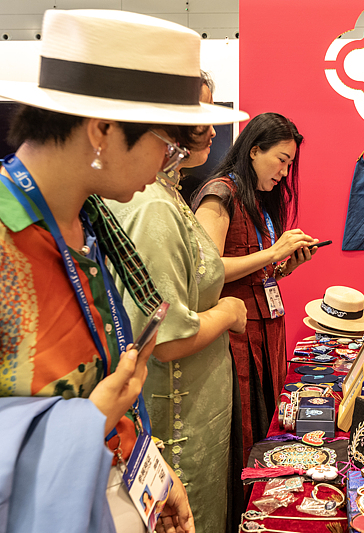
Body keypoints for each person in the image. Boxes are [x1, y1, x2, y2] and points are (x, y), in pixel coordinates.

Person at [0, 9, 246, 533]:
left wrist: (151, 469)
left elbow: (113, 383)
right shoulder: (8, 242)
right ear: (103, 131)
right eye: (167, 144)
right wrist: (88, 422)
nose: (169, 162)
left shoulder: (93, 226)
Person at [106, 73, 248, 533]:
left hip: (197, 404)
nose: (209, 130)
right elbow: (165, 335)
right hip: (177, 415)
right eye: (197, 118)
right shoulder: (151, 203)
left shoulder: (167, 191)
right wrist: (228, 313)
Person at [193, 112, 319, 466]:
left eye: (289, 164)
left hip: (264, 335)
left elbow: (252, 272)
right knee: (241, 437)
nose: (283, 172)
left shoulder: (256, 200)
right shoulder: (220, 194)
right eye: (281, 160)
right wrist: (273, 251)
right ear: (253, 150)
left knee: (263, 431)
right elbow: (208, 269)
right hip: (234, 340)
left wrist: (283, 266)